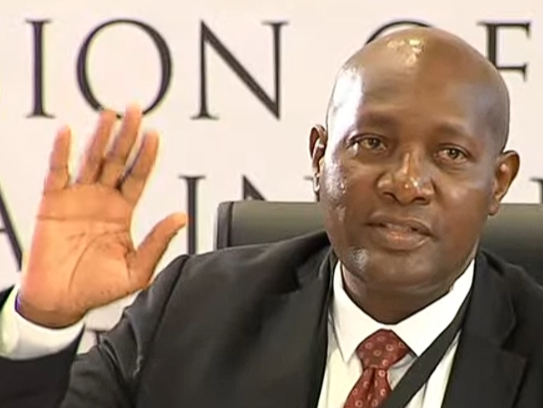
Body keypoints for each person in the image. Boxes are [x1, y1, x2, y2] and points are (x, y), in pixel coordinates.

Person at [0, 26, 541, 408]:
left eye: (450, 154)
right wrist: (43, 322)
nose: (404, 183)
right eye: (372, 143)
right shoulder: (193, 310)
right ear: (319, 159)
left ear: (498, 182)